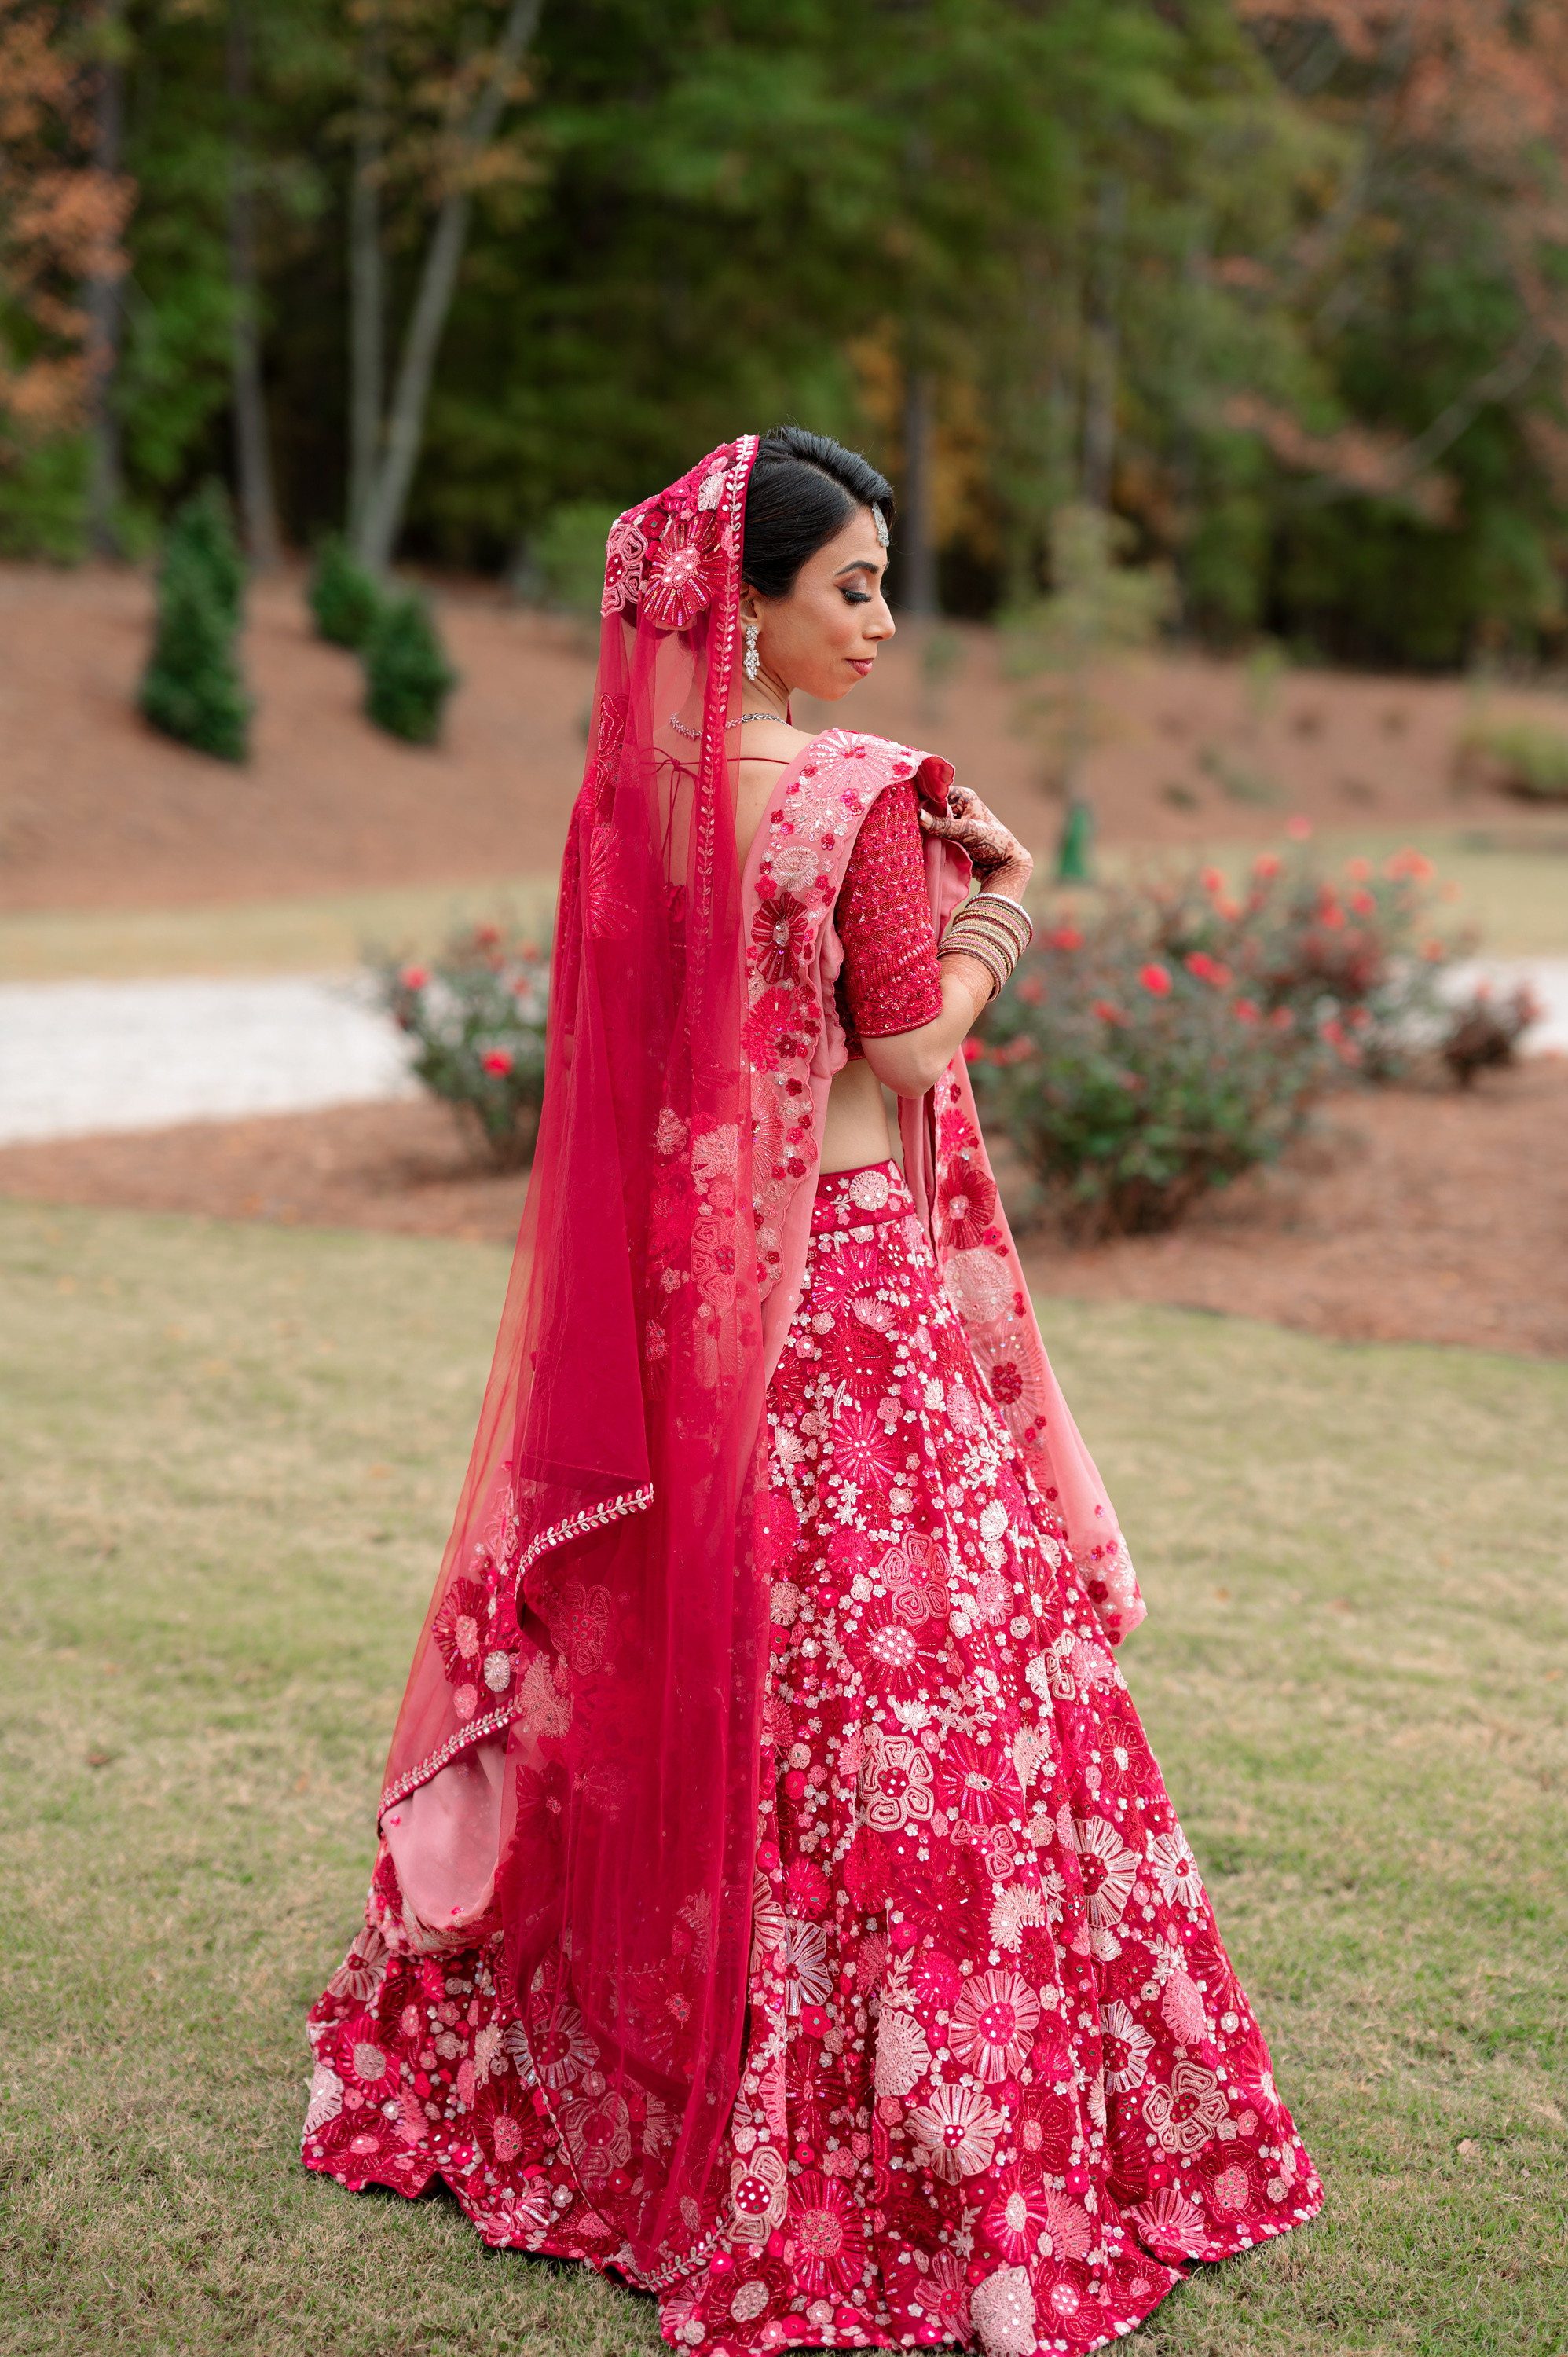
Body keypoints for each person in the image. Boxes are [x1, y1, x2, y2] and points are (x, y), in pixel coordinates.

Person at [302, 430, 1321, 2355]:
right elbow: (911, 1046)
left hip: (694, 1313)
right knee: (916, 1710)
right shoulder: (859, 801)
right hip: (845, 1300)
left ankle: (619, 2070)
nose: (876, 618)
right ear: (747, 604)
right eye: (846, 582)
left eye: (876, 581)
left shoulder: (640, 799)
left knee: (716, 1675)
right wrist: (996, 906)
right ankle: (917, 2138)